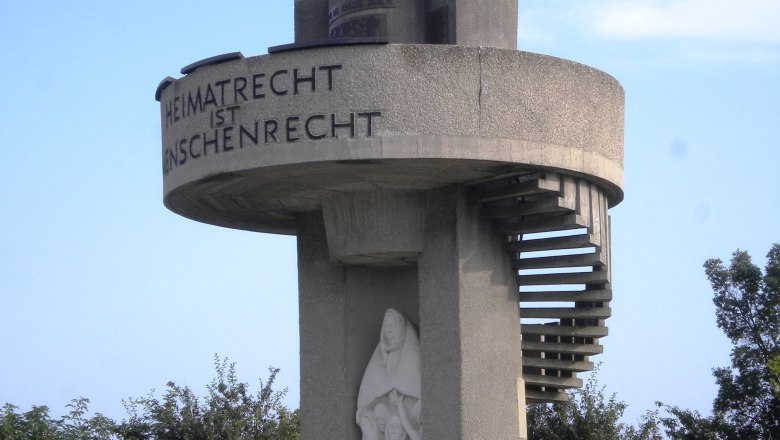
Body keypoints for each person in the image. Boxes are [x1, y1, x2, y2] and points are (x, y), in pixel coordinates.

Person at [357, 309, 422, 440]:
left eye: (393, 326)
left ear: (403, 327)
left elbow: (417, 389)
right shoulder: (380, 360)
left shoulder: (413, 357)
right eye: (387, 326)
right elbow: (367, 400)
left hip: (409, 414)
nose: (390, 330)